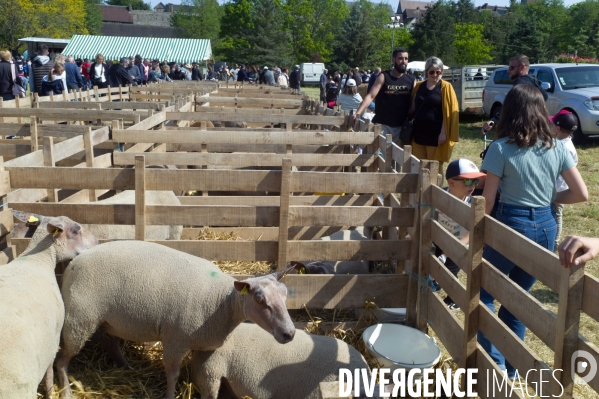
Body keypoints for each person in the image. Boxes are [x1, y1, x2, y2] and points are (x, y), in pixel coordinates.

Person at [479, 84, 588, 379]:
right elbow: (581, 194)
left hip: (510, 224)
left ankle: (495, 363)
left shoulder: (499, 148)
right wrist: (549, 199)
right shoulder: (556, 147)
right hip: (545, 226)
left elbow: (487, 202)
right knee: (519, 300)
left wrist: (471, 233)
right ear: (542, 111)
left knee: (483, 293)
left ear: (509, 112)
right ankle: (514, 368)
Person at [434, 159, 487, 310]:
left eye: (476, 181)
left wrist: (452, 248)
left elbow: (473, 233)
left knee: (445, 275)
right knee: (436, 271)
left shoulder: (473, 205)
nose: (473, 186)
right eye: (468, 182)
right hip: (440, 240)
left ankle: (456, 298)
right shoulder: (440, 196)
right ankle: (451, 294)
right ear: (451, 183)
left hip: (460, 246)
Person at [351, 48, 415, 144]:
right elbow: (371, 96)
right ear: (393, 60)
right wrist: (358, 113)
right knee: (379, 157)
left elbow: (414, 102)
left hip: (402, 127)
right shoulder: (384, 76)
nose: (404, 61)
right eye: (400, 58)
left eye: (406, 59)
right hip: (383, 125)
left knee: (398, 158)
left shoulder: (411, 80)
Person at [409, 56, 459, 172]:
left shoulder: (446, 87)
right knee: (418, 166)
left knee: (434, 168)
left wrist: (443, 132)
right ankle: (420, 190)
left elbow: (449, 113)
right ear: (426, 72)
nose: (435, 74)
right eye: (432, 72)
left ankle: (435, 190)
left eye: (438, 72)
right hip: (418, 134)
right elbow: (412, 106)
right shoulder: (419, 86)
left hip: (435, 135)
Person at [482, 55, 548, 133]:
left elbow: (509, 106)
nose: (508, 71)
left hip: (522, 127)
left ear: (522, 67)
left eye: (511, 68)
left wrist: (494, 120)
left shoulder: (520, 84)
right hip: (536, 125)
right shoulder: (533, 80)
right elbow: (545, 96)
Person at [550, 110, 579, 249]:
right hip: (556, 188)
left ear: (558, 128)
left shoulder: (563, 147)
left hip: (558, 190)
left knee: (556, 215)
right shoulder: (563, 143)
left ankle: (554, 243)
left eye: (552, 123)